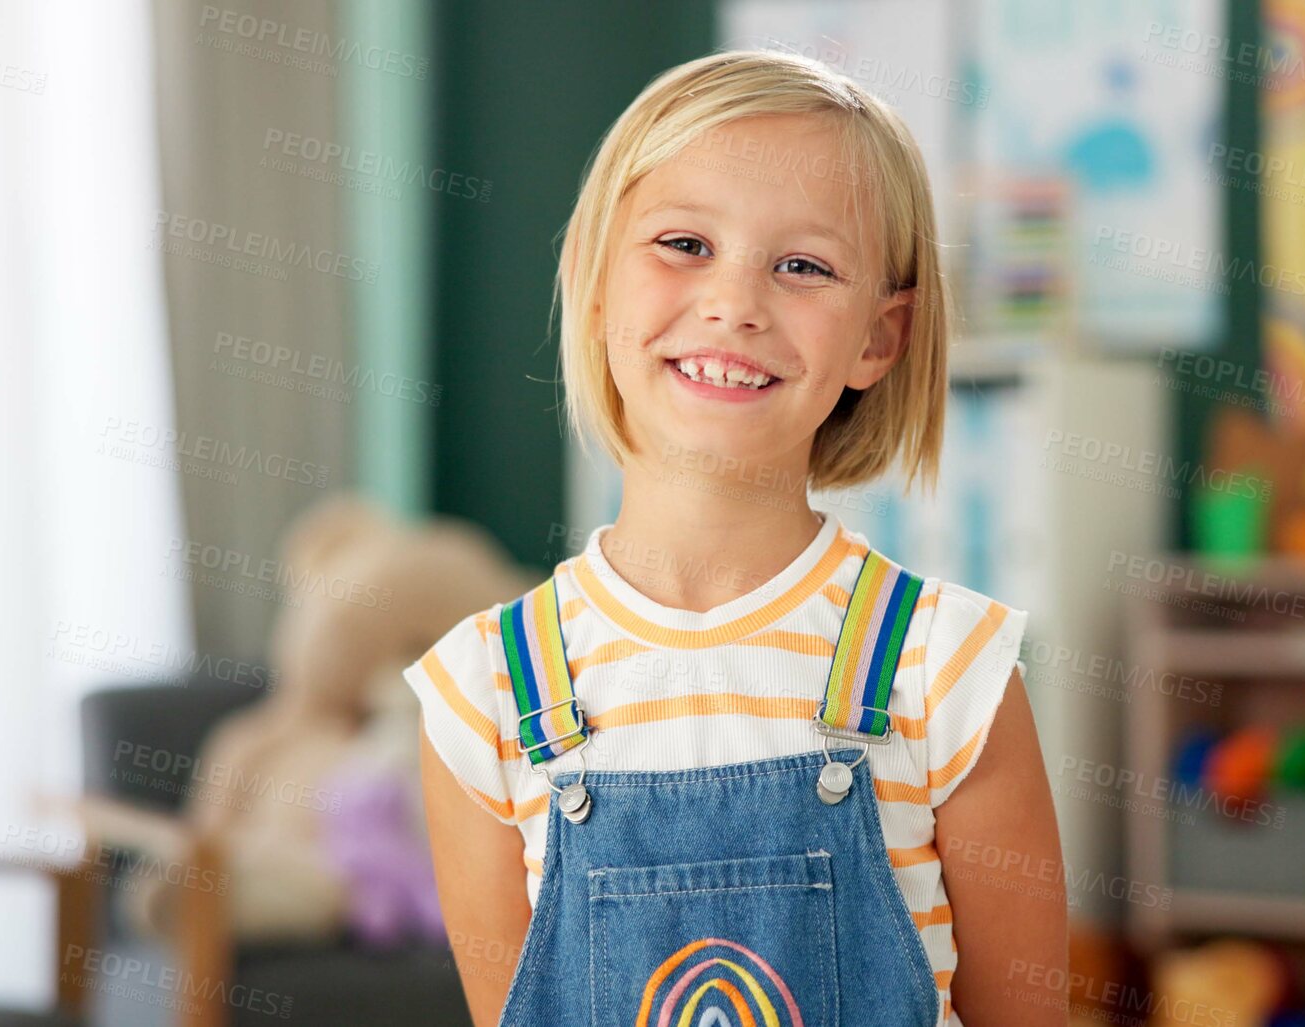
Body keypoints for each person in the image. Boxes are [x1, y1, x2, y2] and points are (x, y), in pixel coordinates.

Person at [404, 48, 1067, 1027]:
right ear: (595, 282)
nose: (735, 303)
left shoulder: (951, 670)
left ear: (878, 340)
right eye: (683, 243)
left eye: (802, 266)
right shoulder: (480, 695)